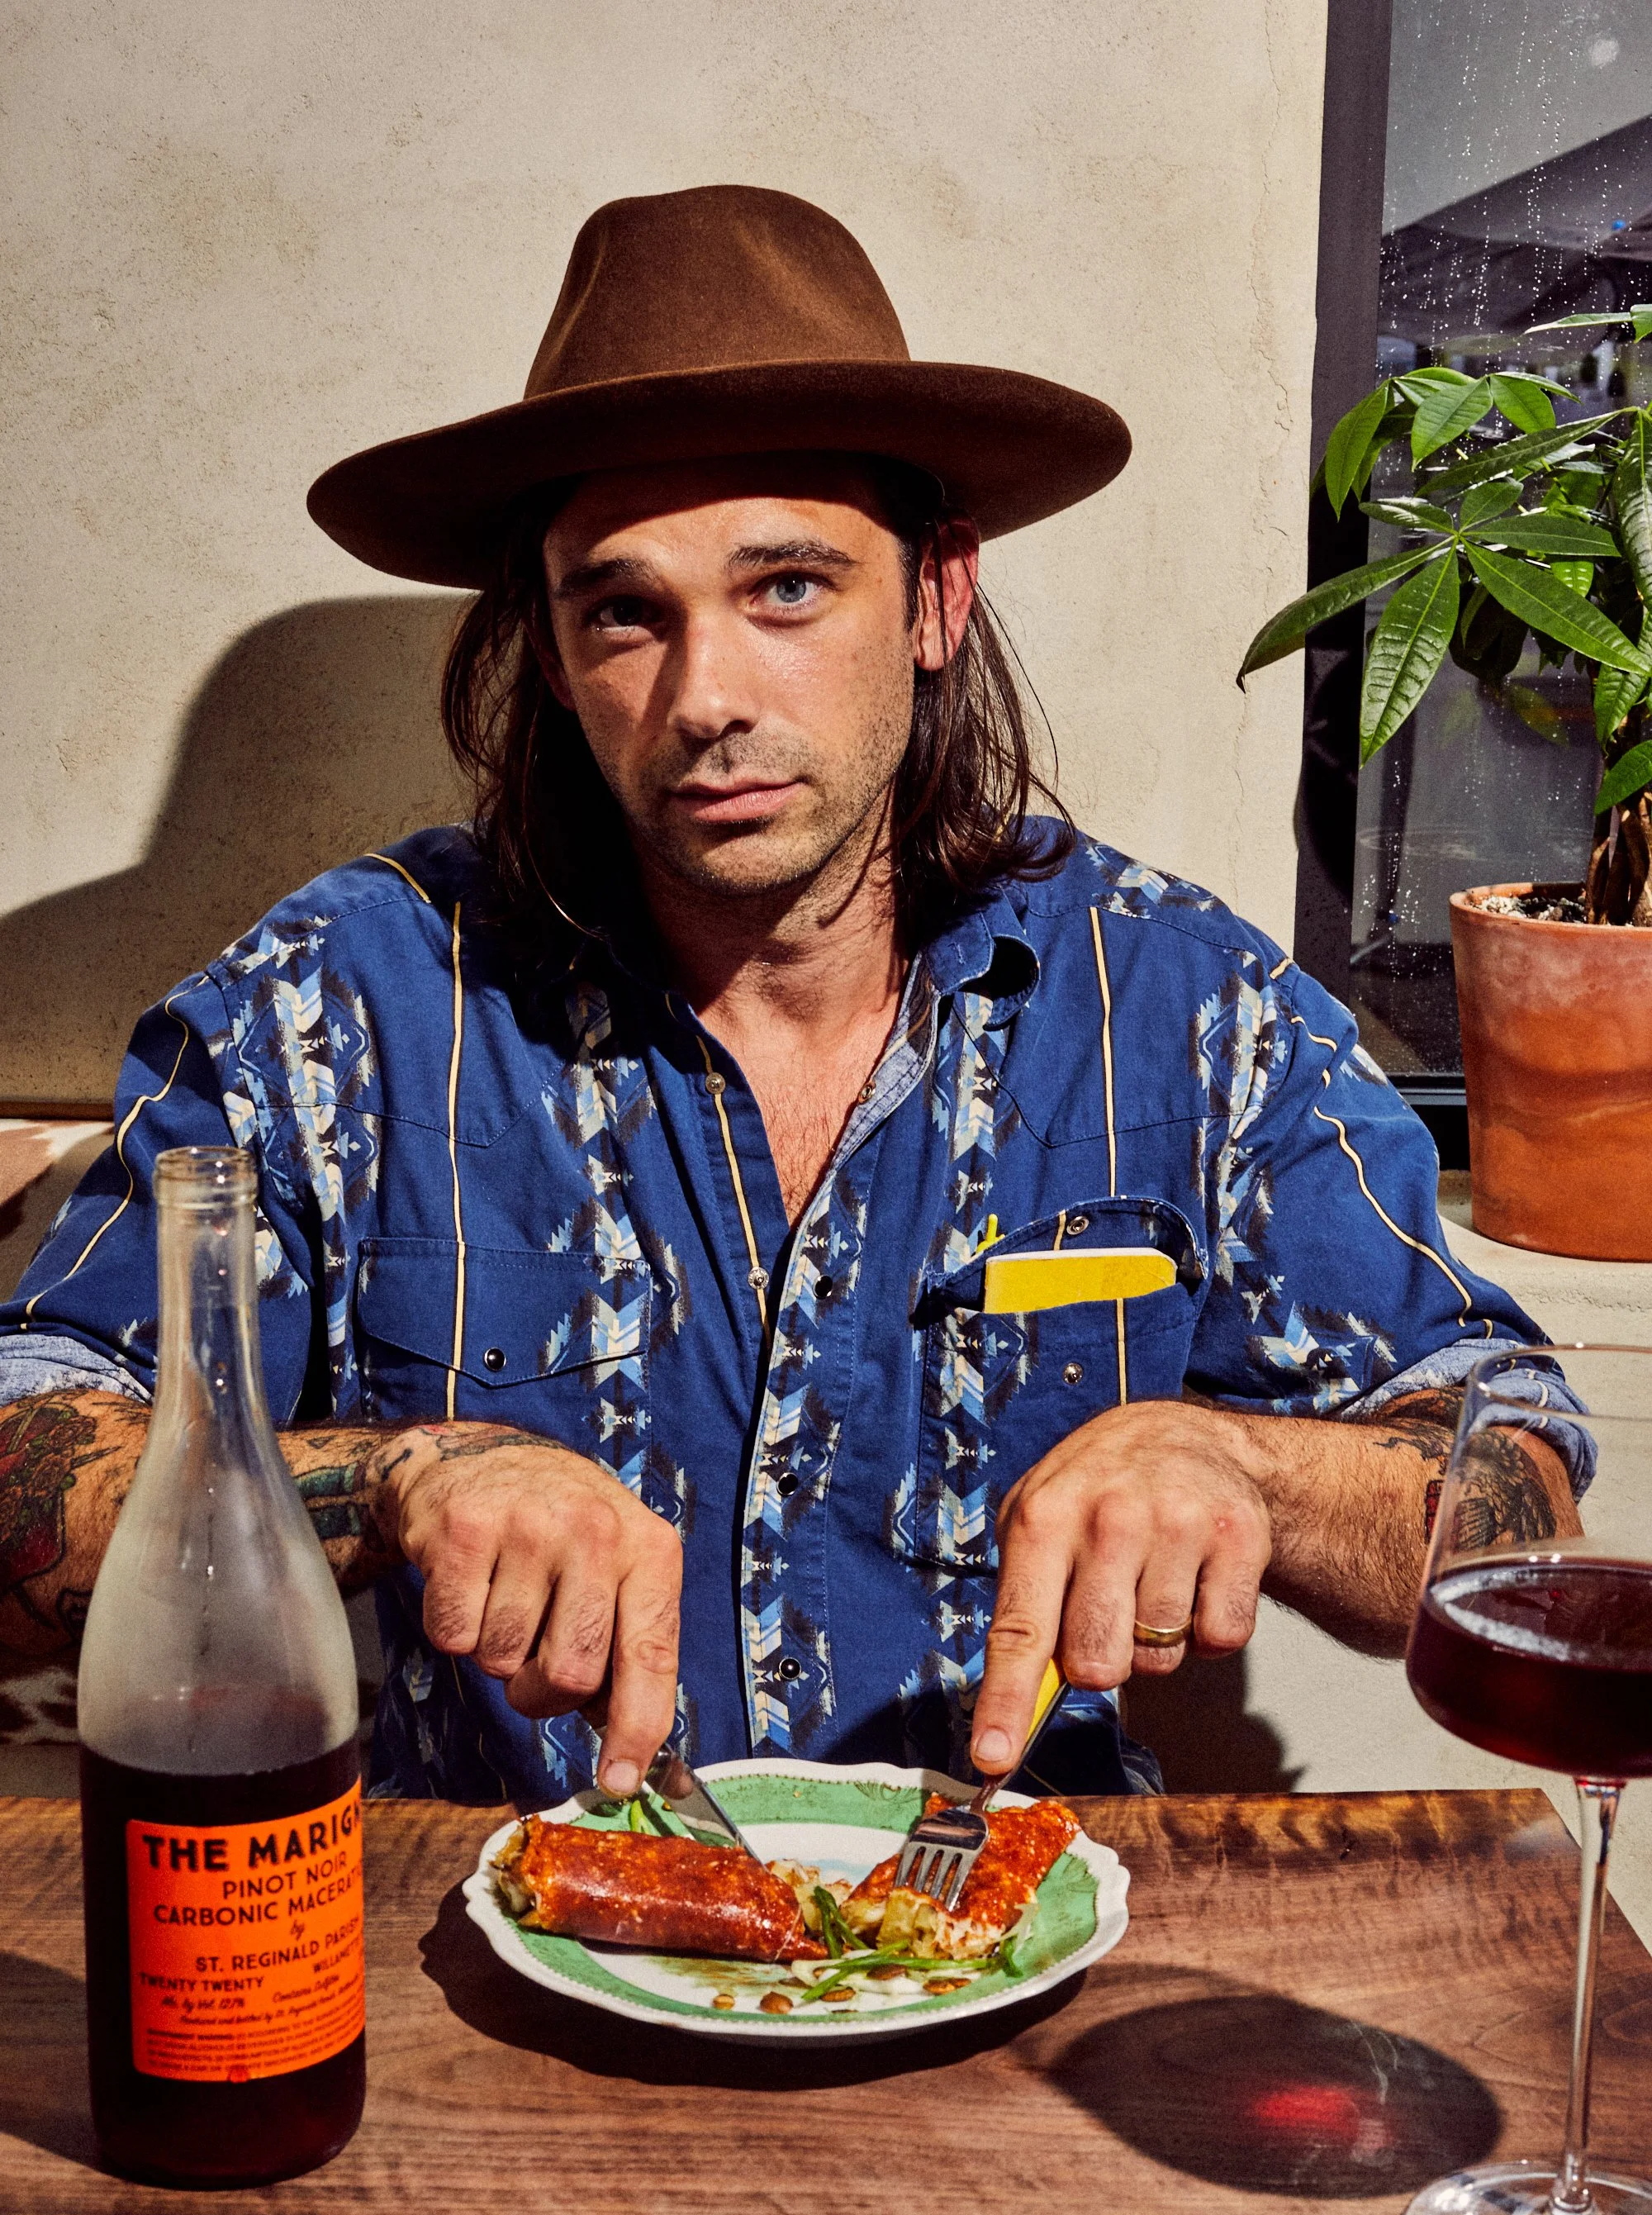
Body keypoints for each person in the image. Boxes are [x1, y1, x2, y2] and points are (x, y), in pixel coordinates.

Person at [0, 186, 1573, 1809]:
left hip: (1001, 1938)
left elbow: (1510, 1479)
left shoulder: (1181, 1010)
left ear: (936, 600)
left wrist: (1247, 1467)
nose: (705, 699)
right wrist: (389, 1476)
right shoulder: (334, 1013)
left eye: (788, 589)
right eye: (624, 611)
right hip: (487, 1966)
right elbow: (22, 1468)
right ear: (549, 652)